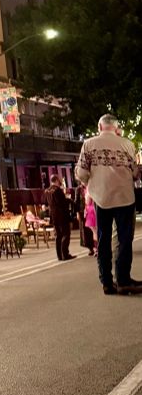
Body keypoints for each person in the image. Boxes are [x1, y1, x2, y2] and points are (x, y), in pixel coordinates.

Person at [76, 114, 141, 295]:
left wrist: (91, 183)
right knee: (124, 239)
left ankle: (106, 281)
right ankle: (123, 280)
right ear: (116, 128)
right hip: (125, 197)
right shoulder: (127, 144)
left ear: (100, 127)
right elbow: (135, 173)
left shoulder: (88, 145)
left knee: (103, 239)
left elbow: (81, 173)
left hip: (101, 198)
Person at [44, 175, 74, 261]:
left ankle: (59, 255)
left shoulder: (47, 191)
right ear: (57, 180)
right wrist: (68, 200)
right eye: (59, 180)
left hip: (53, 216)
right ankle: (65, 254)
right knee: (66, 234)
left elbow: (47, 204)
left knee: (58, 235)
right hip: (62, 215)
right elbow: (61, 203)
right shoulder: (57, 190)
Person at [84, 192, 97, 257]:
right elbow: (88, 201)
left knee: (95, 232)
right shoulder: (90, 191)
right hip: (93, 212)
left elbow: (87, 202)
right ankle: (97, 249)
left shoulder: (88, 191)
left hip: (90, 211)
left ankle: (96, 249)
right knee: (96, 232)